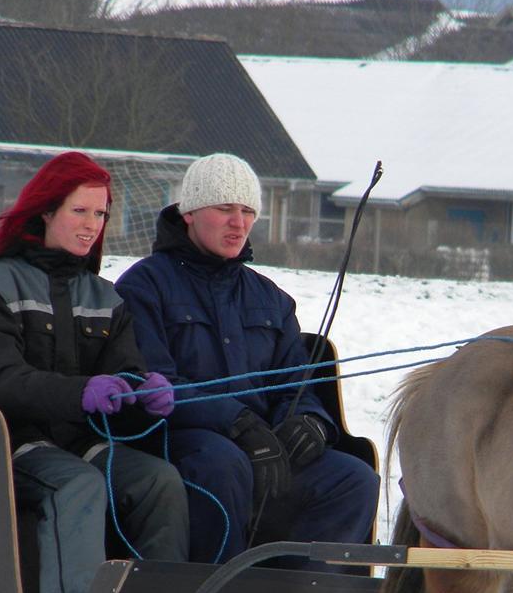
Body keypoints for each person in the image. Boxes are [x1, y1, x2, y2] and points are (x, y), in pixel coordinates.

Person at [0, 151, 189, 593]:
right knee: (77, 484)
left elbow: (124, 373)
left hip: (80, 442)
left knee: (158, 481)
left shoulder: (105, 296)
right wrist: (80, 392)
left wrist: (143, 395)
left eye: (100, 214)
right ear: (46, 211)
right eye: (79, 211)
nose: (91, 225)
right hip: (13, 445)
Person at [115, 153, 379, 566]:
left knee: (353, 479)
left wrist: (310, 422)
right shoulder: (145, 286)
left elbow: (297, 381)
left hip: (263, 445)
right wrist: (236, 422)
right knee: (224, 463)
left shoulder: (270, 297)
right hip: (182, 440)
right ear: (190, 212)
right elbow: (154, 381)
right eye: (225, 209)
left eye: (248, 211)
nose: (238, 222)